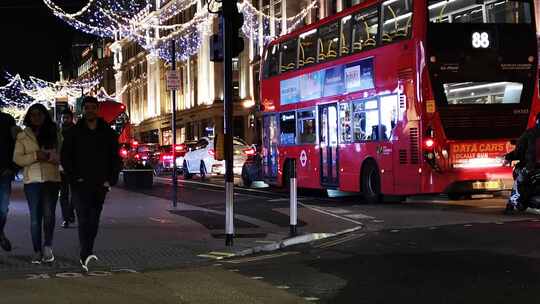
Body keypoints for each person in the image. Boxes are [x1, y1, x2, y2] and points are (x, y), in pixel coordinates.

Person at [61, 96, 121, 272]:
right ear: (83, 110)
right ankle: (85, 253)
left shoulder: (107, 132)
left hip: (99, 184)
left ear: (98, 109)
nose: (89, 111)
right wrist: (74, 176)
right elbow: (66, 156)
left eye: (93, 107)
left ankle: (87, 249)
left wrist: (110, 179)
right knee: (83, 218)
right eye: (86, 108)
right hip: (80, 183)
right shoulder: (74, 132)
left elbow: (115, 157)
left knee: (94, 220)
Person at [13, 104, 61, 264]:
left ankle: (48, 247)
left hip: (51, 179)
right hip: (32, 181)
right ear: (29, 117)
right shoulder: (23, 136)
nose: (36, 117)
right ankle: (36, 250)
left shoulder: (54, 132)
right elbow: (17, 159)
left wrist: (50, 157)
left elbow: (63, 155)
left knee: (49, 215)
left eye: (39, 114)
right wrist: (35, 155)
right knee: (35, 218)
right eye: (33, 115)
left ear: (45, 115)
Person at [504, 112, 540, 214]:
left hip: (531, 168)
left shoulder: (530, 134)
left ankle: (511, 204)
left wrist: (508, 157)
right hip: (533, 168)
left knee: (519, 181)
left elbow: (518, 152)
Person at [0, 109, 18, 252]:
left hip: (4, 172)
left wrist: (12, 168)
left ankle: (0, 232)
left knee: (3, 209)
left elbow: (15, 145)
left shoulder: (7, 119)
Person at [59, 109, 75, 228]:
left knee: (75, 193)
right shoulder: (58, 132)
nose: (65, 120)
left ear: (71, 118)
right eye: (63, 118)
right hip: (60, 167)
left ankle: (70, 212)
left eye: (67, 118)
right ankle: (66, 218)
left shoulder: (77, 131)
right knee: (63, 194)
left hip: (74, 167)